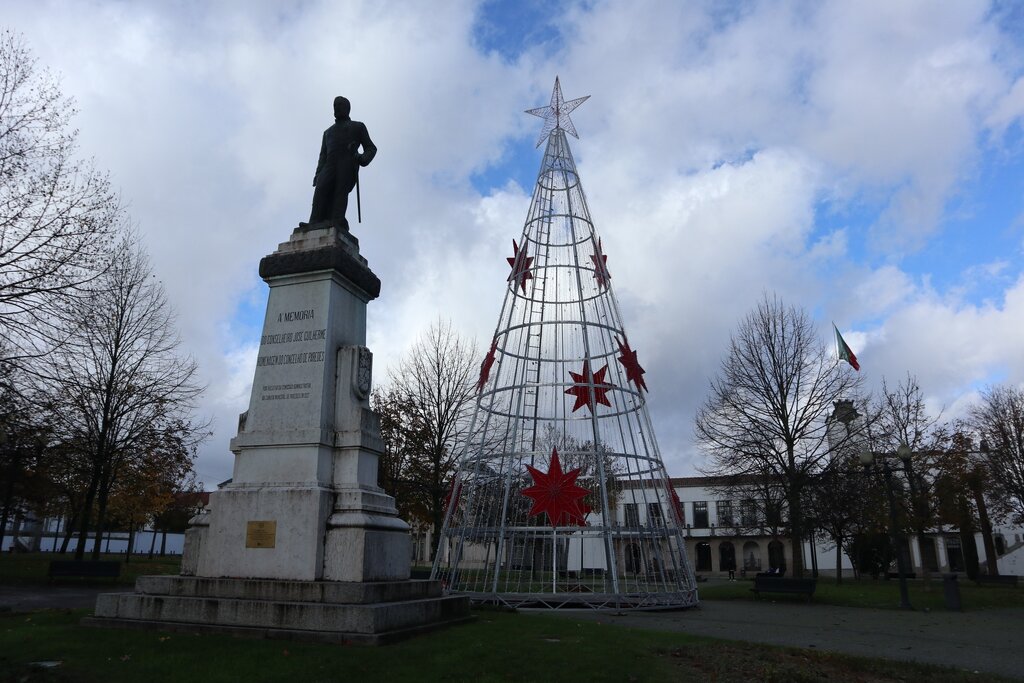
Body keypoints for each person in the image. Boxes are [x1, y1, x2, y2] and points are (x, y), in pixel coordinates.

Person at [309, 96, 377, 228]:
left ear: (347, 108)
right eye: (335, 106)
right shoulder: (327, 132)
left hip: (347, 162)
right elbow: (322, 156)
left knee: (340, 192)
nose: (337, 108)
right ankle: (314, 221)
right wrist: (317, 174)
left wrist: (361, 158)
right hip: (329, 164)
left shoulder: (358, 126)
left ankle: (337, 219)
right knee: (321, 189)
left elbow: (371, 148)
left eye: (340, 105)